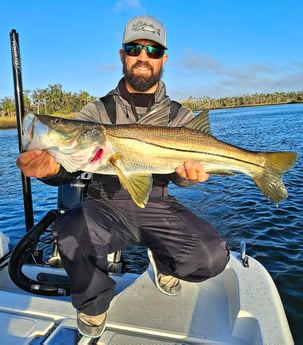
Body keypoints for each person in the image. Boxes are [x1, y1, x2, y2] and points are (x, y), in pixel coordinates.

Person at [16, 15, 230, 338]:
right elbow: (70, 162)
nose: (143, 56)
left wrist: (189, 177)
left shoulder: (180, 118)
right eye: (134, 48)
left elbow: (185, 176)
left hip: (158, 207)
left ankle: (164, 261)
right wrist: (50, 170)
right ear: (122, 56)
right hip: (106, 208)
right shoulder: (96, 113)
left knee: (213, 256)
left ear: (164, 59)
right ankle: (93, 303)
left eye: (153, 50)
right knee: (68, 231)